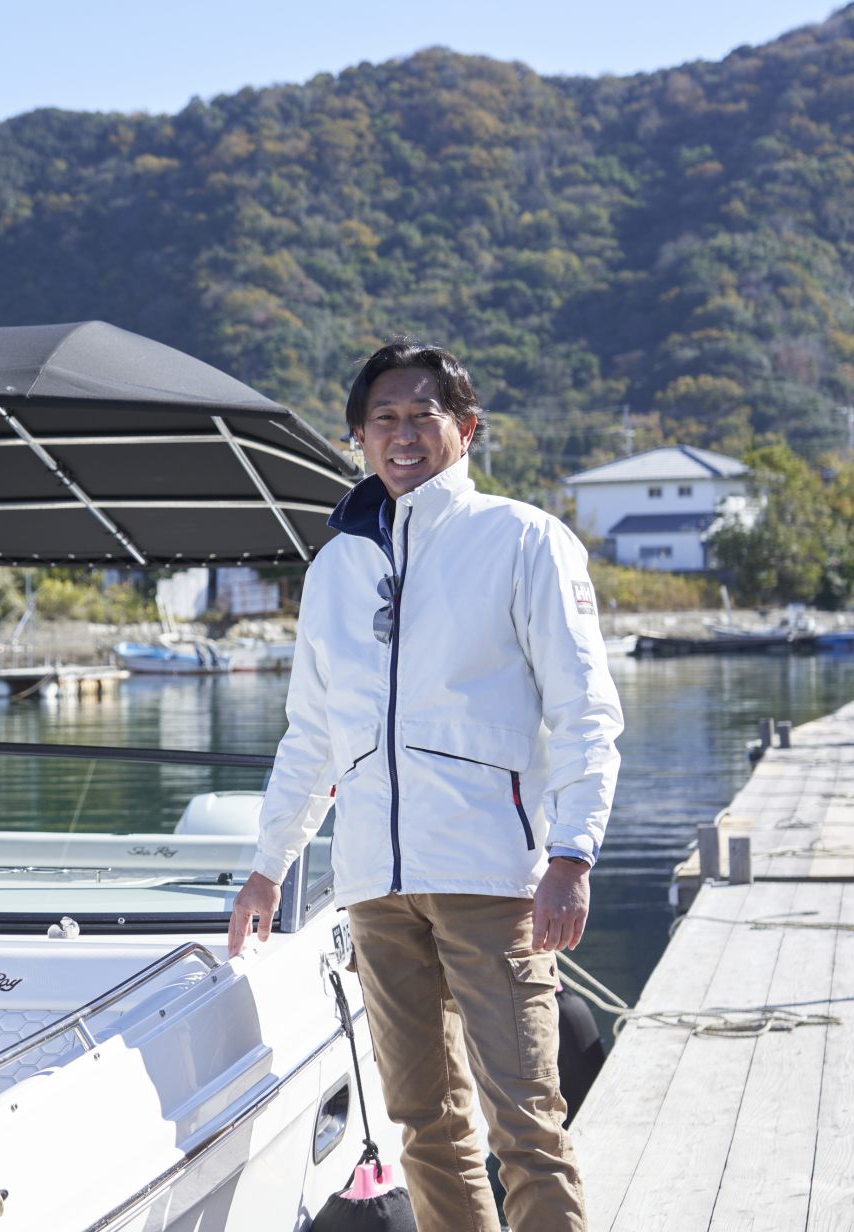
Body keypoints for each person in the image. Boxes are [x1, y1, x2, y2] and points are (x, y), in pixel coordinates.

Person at [227, 340, 622, 1232]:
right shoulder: (335, 567)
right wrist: (267, 865)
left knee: (524, 1118)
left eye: (422, 415)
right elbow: (312, 735)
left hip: (493, 877)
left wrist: (572, 852)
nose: (402, 435)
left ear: (467, 429)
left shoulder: (524, 540)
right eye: (384, 420)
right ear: (359, 439)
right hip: (374, 887)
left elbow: (586, 710)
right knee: (425, 1124)